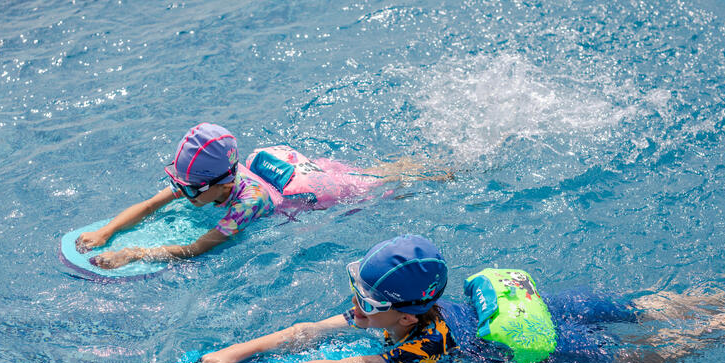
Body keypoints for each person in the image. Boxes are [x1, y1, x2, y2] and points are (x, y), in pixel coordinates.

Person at [199, 235, 725, 363]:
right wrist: (235, 351)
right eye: (355, 291)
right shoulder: (390, 313)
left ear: (406, 318)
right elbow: (306, 332)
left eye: (365, 301)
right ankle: (724, 299)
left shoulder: (421, 346)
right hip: (537, 304)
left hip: (554, 346)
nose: (354, 308)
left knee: (651, 355)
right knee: (648, 308)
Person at [76, 123, 447, 269]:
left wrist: (134, 253)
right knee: (385, 169)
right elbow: (151, 204)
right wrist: (107, 232)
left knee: (389, 182)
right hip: (292, 171)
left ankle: (451, 170)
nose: (181, 193)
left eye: (189, 189)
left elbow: (199, 247)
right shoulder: (207, 181)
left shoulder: (247, 203)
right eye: (180, 184)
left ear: (221, 186)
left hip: (329, 192)